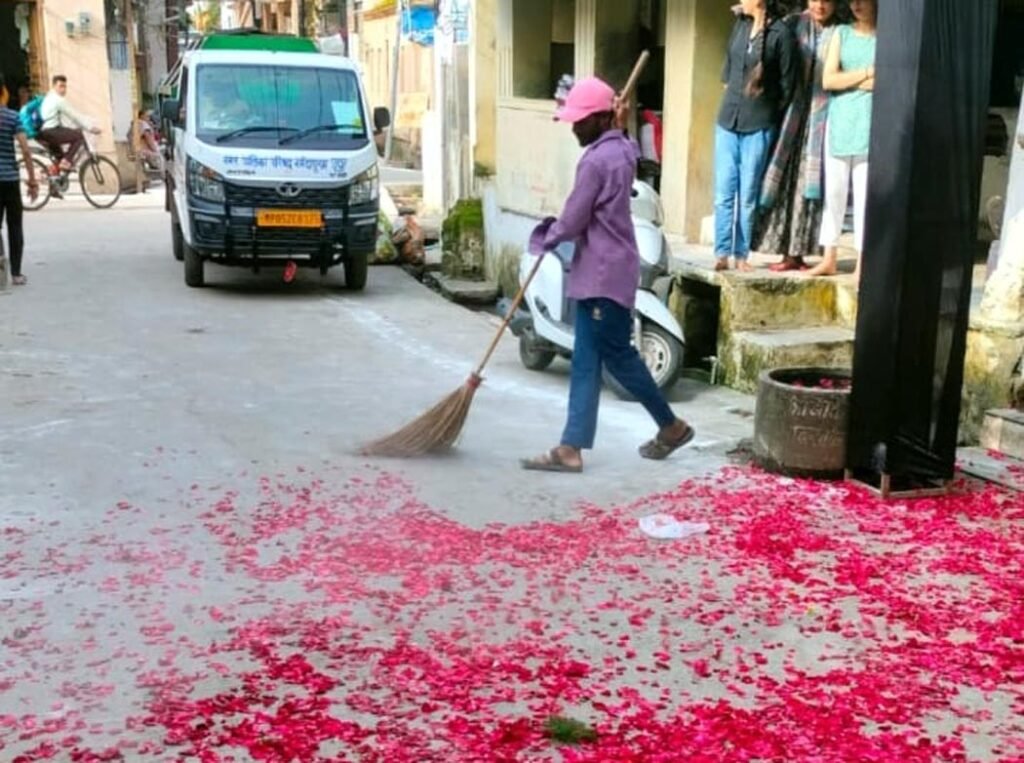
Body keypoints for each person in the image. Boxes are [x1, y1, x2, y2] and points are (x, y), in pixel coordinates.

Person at [521, 77, 695, 474]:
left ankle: (670, 425)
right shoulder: (622, 149)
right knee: (584, 361)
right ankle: (571, 446)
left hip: (602, 273)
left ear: (600, 119)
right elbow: (622, 144)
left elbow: (573, 218)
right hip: (603, 270)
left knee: (619, 356)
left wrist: (546, 238)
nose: (573, 127)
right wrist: (619, 123)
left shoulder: (597, 160)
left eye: (580, 121)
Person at [753, 0, 844, 272]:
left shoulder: (842, 31)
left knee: (811, 184)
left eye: (826, 1)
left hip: (822, 116)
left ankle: (801, 253)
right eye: (815, 0)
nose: (820, 6)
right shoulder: (793, 26)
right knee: (784, 182)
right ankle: (784, 253)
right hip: (790, 117)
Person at [714, 0, 797, 273]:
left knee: (747, 194)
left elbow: (787, 85)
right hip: (728, 118)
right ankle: (721, 252)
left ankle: (742, 253)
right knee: (724, 191)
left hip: (759, 123)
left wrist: (768, 110)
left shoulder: (781, 34)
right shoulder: (740, 24)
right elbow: (728, 68)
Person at [805, 0, 877, 279]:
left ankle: (863, 261)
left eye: (863, 0)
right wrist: (866, 73)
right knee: (833, 193)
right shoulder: (842, 34)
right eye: (853, 0)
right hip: (840, 121)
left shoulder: (884, 39)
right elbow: (829, 80)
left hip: (869, 122)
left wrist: (849, 79)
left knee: (864, 196)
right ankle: (829, 257)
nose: (857, 5)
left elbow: (885, 80)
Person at [0, 74, 39, 286]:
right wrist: (32, 180)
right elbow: (25, 149)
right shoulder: (12, 117)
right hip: (10, 180)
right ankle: (16, 273)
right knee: (15, 226)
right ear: (4, 92)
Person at [38, 74, 100, 171]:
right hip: (51, 131)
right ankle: (66, 161)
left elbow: (60, 118)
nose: (63, 89)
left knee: (59, 159)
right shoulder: (58, 100)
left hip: (44, 133)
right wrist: (90, 127)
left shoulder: (48, 98)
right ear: (54, 86)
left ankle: (53, 178)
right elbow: (74, 115)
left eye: (65, 86)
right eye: (60, 86)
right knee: (79, 137)